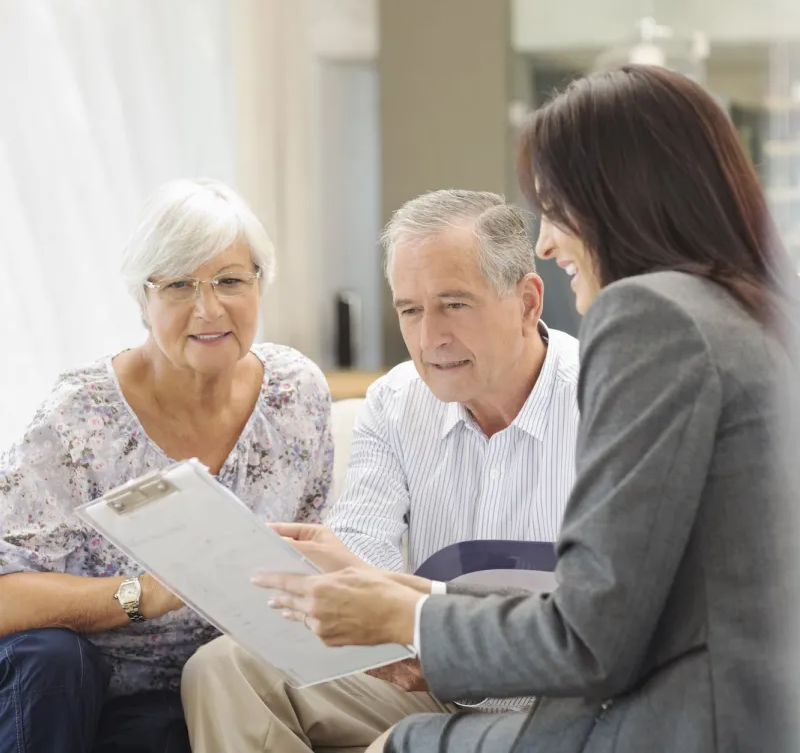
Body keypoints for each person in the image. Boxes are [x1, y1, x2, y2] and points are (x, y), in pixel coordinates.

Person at [255, 64, 800, 753]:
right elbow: (630, 604)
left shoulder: (652, 320)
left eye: (555, 205)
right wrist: (416, 607)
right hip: (726, 713)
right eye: (412, 311)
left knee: (398, 744)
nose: (544, 241)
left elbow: (592, 637)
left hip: (675, 725)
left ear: (618, 198)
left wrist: (414, 616)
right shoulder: (752, 316)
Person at [180, 190, 581, 752]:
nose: (428, 339)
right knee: (226, 667)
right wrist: (346, 583)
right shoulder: (395, 402)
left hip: (564, 694)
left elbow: (602, 617)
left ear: (528, 302)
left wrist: (418, 621)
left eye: (454, 304)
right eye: (410, 310)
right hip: (436, 679)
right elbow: (364, 550)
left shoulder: (607, 400)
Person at [0, 178, 333, 752]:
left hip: (213, 681)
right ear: (143, 298)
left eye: (230, 280)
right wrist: (143, 594)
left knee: (174, 722)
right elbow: (7, 595)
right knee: (53, 664)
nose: (208, 308)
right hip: (77, 677)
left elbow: (314, 555)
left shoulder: (295, 395)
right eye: (179, 285)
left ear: (260, 285)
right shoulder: (79, 416)